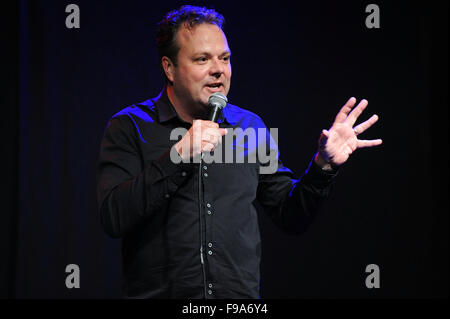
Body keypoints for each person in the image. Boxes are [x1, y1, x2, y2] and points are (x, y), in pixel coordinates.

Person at [96, 5, 382, 299]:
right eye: (202, 59)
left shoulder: (250, 127)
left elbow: (290, 215)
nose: (218, 69)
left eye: (225, 58)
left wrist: (323, 165)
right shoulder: (130, 126)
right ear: (169, 68)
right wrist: (177, 157)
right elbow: (114, 217)